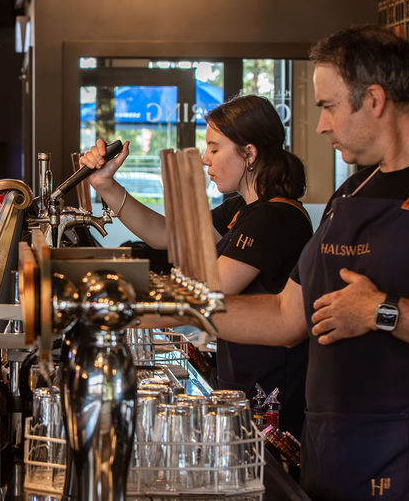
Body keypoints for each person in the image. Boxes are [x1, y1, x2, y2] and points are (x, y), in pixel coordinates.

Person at [154, 26, 409, 500]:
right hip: (333, 458)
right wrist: (161, 305)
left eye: (328, 106)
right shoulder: (350, 194)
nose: (320, 126)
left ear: (373, 100)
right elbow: (286, 317)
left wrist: (384, 311)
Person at [80, 94, 313, 438]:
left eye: (214, 148)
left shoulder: (275, 217)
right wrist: (106, 185)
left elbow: (204, 294)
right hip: (243, 376)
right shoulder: (241, 209)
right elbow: (166, 235)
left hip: (272, 390)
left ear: (249, 153)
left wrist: (109, 308)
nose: (205, 159)